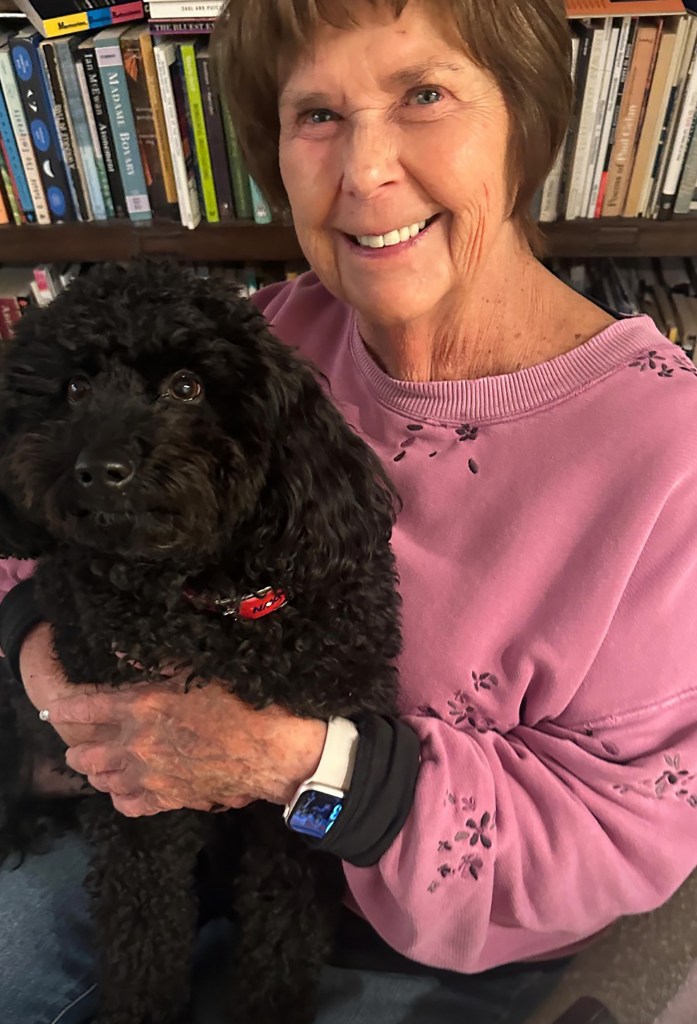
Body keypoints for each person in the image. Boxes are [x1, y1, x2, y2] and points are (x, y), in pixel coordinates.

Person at [2, 0, 697, 1021]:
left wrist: (289, 759)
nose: (365, 173)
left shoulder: (667, 458)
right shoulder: (248, 343)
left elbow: (616, 835)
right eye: (316, 114)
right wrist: (59, 685)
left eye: (424, 95)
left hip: (429, 922)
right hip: (155, 829)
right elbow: (36, 535)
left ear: (529, 119)